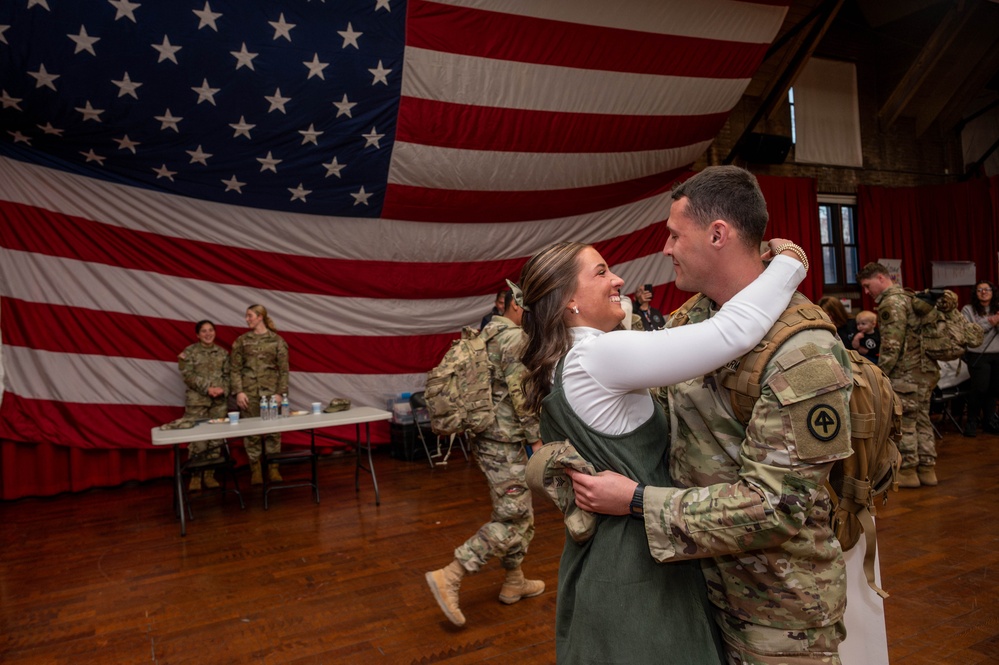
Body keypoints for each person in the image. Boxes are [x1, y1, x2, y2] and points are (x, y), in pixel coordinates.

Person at [557, 166, 853, 664]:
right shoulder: (690, 318)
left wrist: (637, 503)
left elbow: (775, 506)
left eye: (675, 235)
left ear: (718, 234)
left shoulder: (804, 353)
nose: (667, 248)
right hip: (694, 589)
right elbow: (656, 425)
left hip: (775, 613)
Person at [425, 289, 545, 627]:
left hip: (487, 438)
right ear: (518, 305)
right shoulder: (515, 339)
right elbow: (523, 395)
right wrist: (536, 441)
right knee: (513, 517)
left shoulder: (485, 333)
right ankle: (452, 573)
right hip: (505, 442)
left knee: (518, 513)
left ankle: (514, 580)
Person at [857, 262, 939, 487]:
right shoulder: (909, 297)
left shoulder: (891, 303)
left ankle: (909, 472)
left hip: (906, 373)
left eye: (867, 285)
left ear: (881, 278)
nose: (867, 292)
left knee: (906, 422)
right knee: (923, 420)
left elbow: (892, 344)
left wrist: (880, 373)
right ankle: (927, 469)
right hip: (925, 370)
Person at [230, 304, 290, 485]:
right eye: (246, 316)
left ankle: (273, 469)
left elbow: (284, 371)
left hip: (271, 394)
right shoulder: (241, 341)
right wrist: (239, 392)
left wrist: (280, 393)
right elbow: (235, 369)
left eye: (250, 316)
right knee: (251, 433)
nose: (247, 319)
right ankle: (255, 470)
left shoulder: (277, 341)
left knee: (272, 433)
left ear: (260, 317)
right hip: (249, 393)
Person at [178, 319, 230, 491]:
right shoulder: (189, 352)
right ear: (197, 335)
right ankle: (196, 475)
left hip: (218, 402)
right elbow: (188, 376)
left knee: (216, 439)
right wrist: (208, 389)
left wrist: (222, 389)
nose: (208, 334)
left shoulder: (223, 354)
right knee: (198, 441)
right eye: (204, 331)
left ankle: (209, 475)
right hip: (197, 402)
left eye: (211, 330)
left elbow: (230, 376)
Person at [961, 280, 999, 437]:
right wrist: (991, 322)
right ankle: (971, 421)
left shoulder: (997, 308)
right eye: (980, 290)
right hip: (977, 355)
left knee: (993, 390)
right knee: (980, 388)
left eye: (987, 289)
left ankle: (990, 421)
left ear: (993, 291)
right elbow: (970, 332)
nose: (984, 292)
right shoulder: (968, 310)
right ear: (975, 293)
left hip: (997, 354)